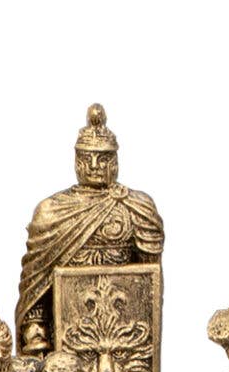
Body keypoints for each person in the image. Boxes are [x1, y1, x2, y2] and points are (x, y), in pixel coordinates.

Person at [15, 105, 165, 353]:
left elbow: (149, 288)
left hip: (125, 337)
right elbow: (36, 282)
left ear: (115, 161)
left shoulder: (136, 208)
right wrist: (35, 326)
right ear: (77, 160)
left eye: (103, 159)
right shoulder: (52, 211)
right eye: (87, 158)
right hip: (67, 341)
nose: (94, 165)